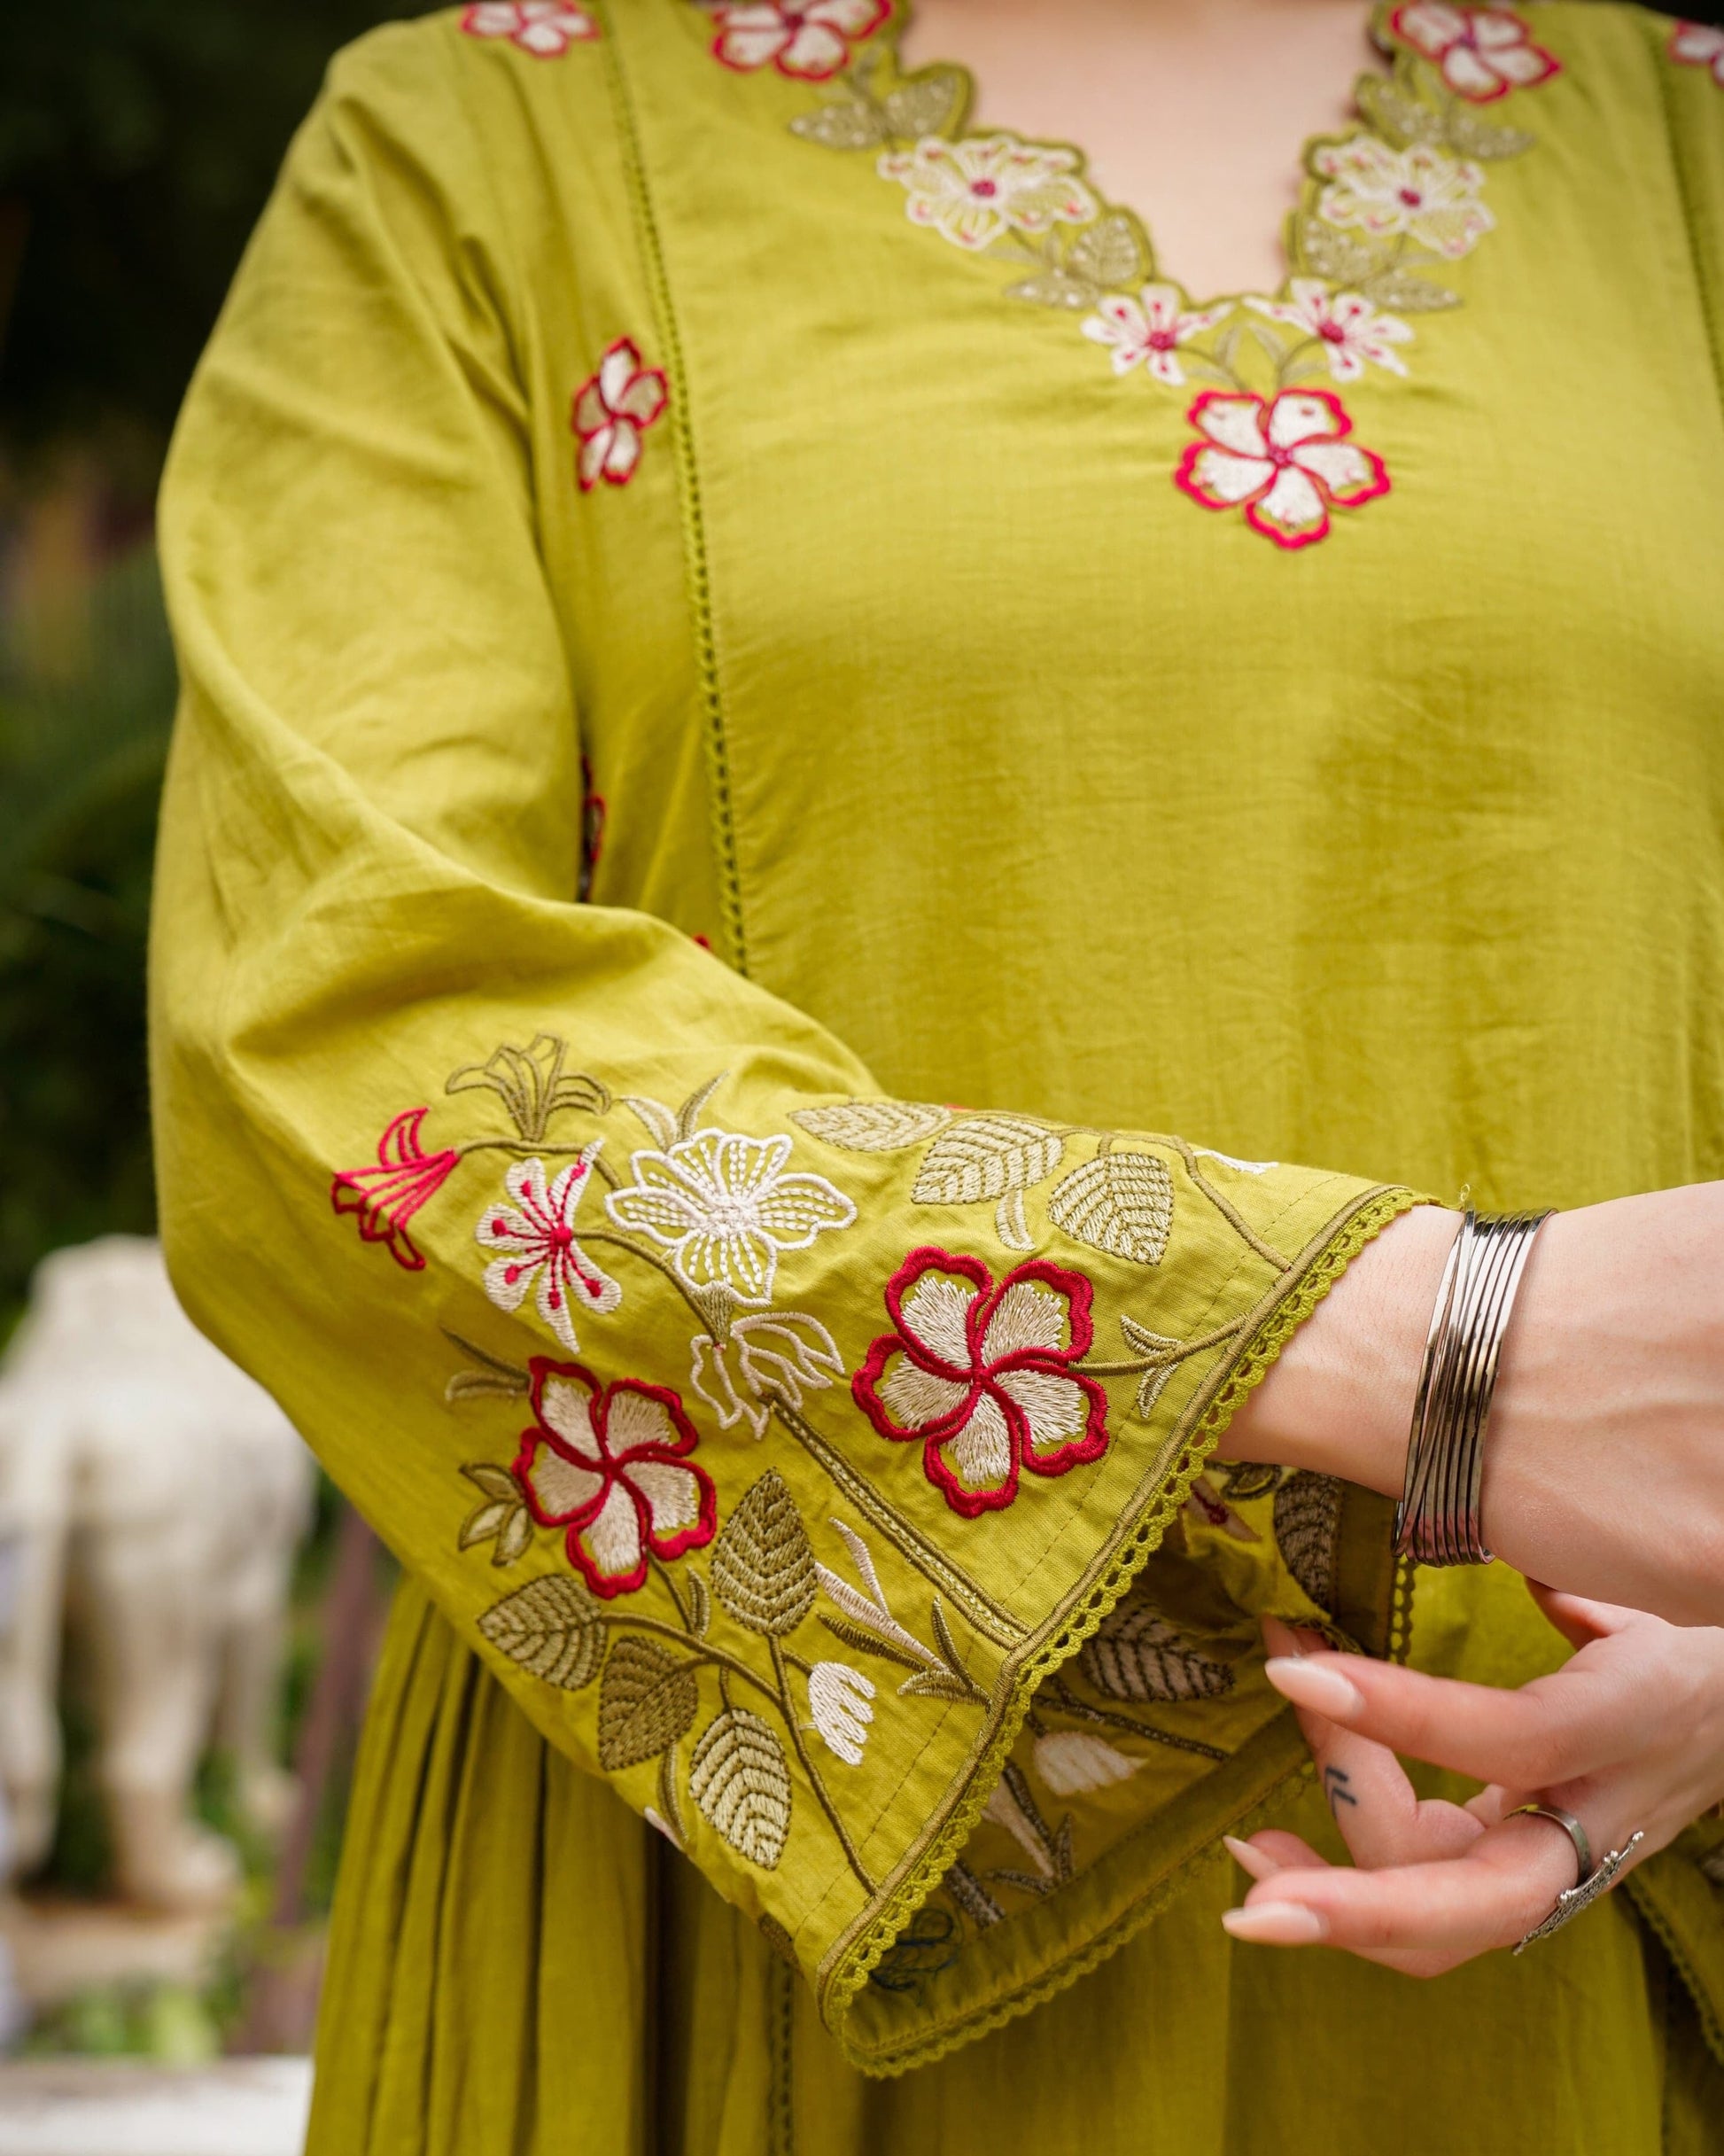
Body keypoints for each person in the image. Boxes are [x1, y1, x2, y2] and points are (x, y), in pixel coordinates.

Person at [150, 0, 1724, 2147]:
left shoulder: (1687, 142)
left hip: (1611, 1871)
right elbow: (338, 1023)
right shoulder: (482, 142)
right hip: (768, 1838)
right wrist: (1438, 1343)